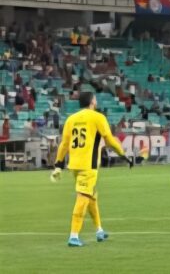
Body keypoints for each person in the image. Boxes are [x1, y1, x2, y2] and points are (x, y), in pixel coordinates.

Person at [51, 91, 133, 247]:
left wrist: (58, 165)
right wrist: (123, 154)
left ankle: (99, 230)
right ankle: (73, 236)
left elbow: (64, 144)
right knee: (83, 198)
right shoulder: (98, 117)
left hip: (74, 165)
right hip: (89, 166)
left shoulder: (71, 119)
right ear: (92, 102)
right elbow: (109, 140)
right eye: (95, 98)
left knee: (92, 197)